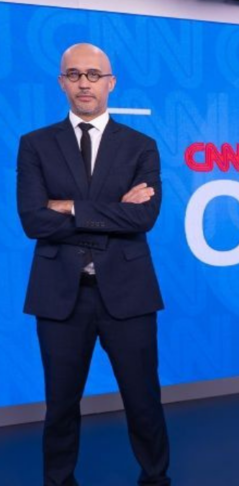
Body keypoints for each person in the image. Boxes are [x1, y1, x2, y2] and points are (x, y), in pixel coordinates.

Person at [16, 43, 171, 486]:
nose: (84, 83)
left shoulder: (141, 146)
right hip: (60, 296)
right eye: (74, 74)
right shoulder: (35, 145)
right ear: (62, 82)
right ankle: (58, 481)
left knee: (143, 400)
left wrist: (67, 207)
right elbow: (33, 220)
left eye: (93, 74)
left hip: (129, 292)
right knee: (60, 404)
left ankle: (156, 478)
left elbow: (144, 217)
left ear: (110, 83)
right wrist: (112, 211)